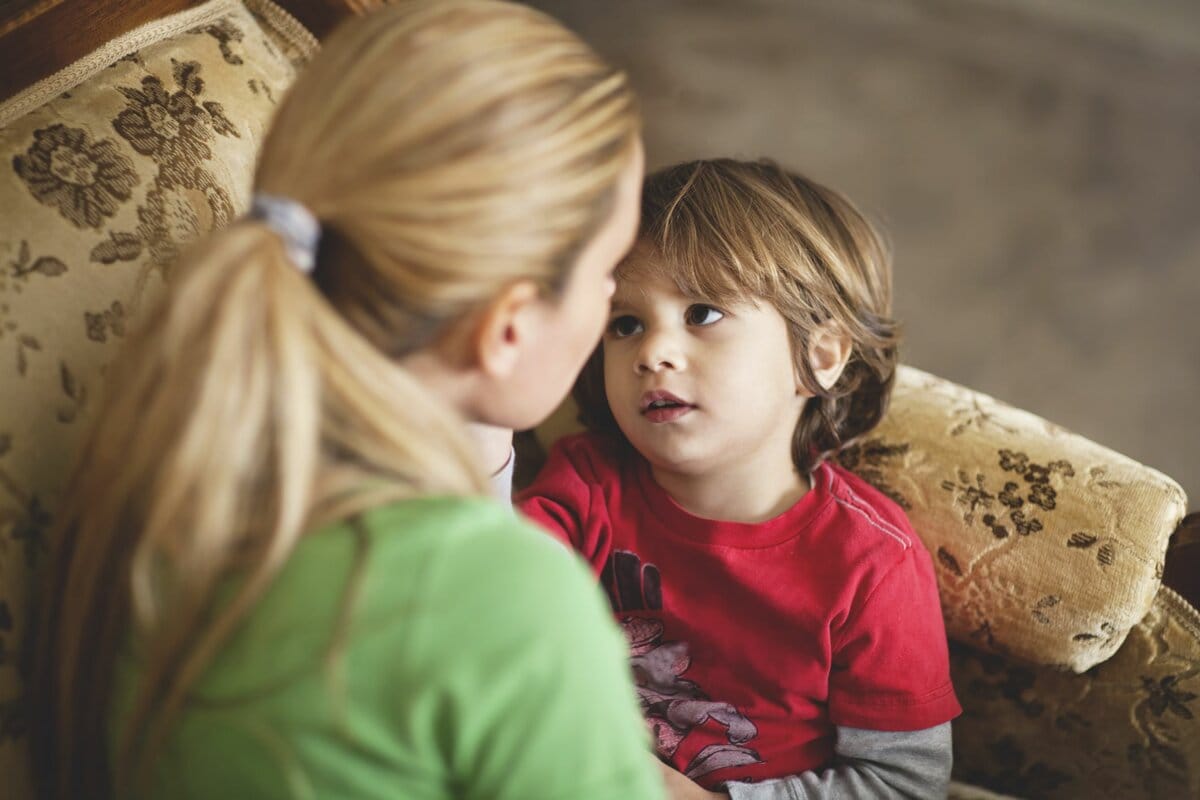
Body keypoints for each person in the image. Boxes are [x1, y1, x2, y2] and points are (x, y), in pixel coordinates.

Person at [28, 2, 663, 798]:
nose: (608, 300)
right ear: (507, 327)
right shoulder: (512, 602)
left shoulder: (178, 479)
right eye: (606, 271)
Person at [514, 159, 962, 799]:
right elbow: (488, 597)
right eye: (626, 324)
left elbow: (902, 785)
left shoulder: (872, 564)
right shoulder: (586, 484)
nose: (652, 352)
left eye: (702, 313)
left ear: (819, 358)